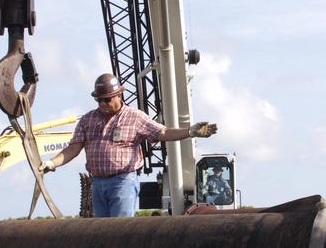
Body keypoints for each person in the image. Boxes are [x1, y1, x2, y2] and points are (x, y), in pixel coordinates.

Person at [39, 73, 217, 217]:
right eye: (99, 100)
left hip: (122, 182)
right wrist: (52, 163)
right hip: (97, 184)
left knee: (119, 230)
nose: (103, 104)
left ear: (119, 95)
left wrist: (190, 132)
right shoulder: (88, 120)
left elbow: (162, 132)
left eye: (107, 100)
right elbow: (73, 148)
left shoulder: (135, 117)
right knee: (101, 232)